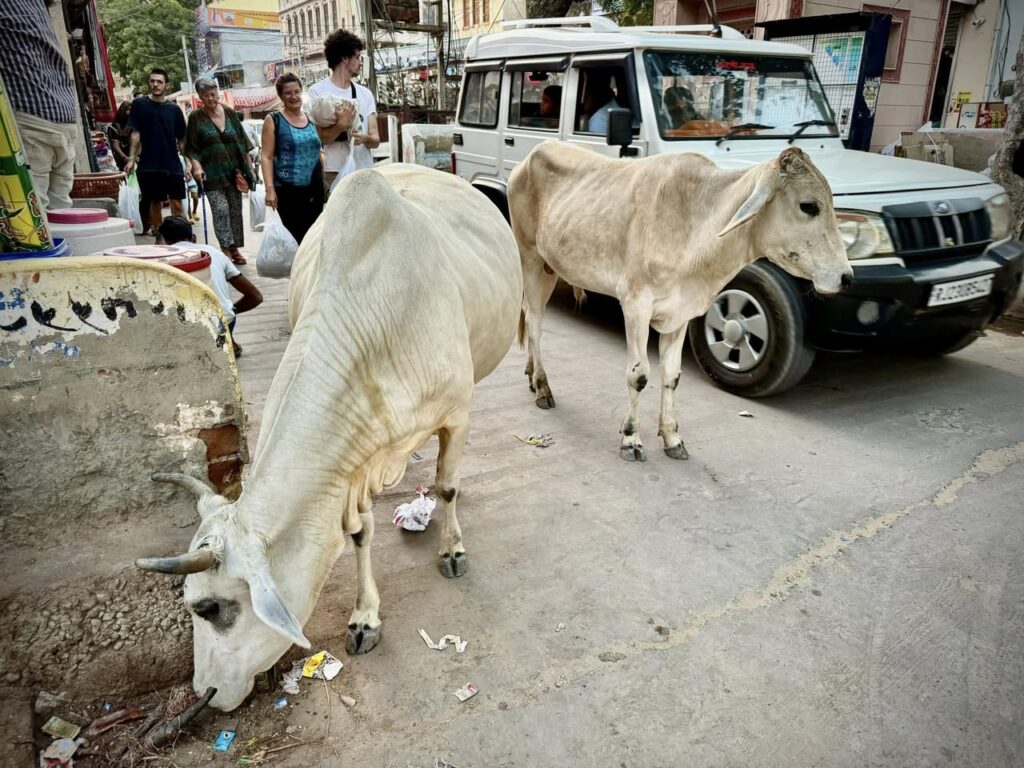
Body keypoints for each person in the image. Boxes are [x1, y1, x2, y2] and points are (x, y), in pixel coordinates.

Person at [0, 0, 80, 212]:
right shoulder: (36, 4)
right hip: (65, 115)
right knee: (60, 212)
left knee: (34, 214)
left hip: (33, 116)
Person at [156, 215, 262, 357]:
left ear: (165, 242)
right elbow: (256, 297)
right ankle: (226, 338)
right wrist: (229, 310)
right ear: (193, 238)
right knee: (220, 316)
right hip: (222, 319)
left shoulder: (160, 260)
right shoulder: (214, 253)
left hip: (185, 325)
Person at [183, 77, 255, 265]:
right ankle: (226, 251)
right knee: (221, 210)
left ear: (218, 93)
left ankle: (235, 248)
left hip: (234, 172)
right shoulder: (196, 118)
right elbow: (192, 148)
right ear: (200, 97)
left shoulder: (230, 113)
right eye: (206, 95)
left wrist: (250, 168)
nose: (210, 98)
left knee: (235, 211)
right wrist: (197, 167)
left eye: (213, 94)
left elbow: (243, 142)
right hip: (212, 174)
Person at [307, 29, 380, 193]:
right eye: (357, 57)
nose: (361, 62)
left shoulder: (365, 94)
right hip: (335, 172)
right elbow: (321, 139)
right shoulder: (317, 92)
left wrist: (365, 138)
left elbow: (375, 140)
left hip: (364, 171)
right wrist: (341, 124)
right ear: (345, 58)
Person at [261, 73, 323, 244]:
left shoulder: (312, 117)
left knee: (314, 239)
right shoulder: (274, 120)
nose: (293, 96)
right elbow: (266, 157)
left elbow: (323, 145)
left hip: (314, 190)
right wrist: (269, 189)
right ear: (281, 96)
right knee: (294, 240)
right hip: (287, 192)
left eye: (297, 91)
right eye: (288, 93)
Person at [126, 68, 188, 234]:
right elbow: (135, 134)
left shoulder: (174, 109)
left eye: (159, 81)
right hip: (149, 164)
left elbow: (182, 139)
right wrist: (131, 159)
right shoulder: (139, 105)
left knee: (177, 203)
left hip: (172, 163)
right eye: (152, 81)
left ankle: (181, 238)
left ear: (166, 85)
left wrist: (188, 163)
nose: (155, 84)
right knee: (155, 203)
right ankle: (159, 237)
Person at [107, 101, 132, 171]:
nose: (130, 112)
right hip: (122, 157)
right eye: (128, 110)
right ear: (122, 111)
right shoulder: (116, 126)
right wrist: (124, 157)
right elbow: (115, 145)